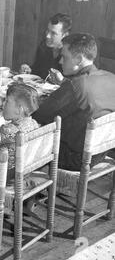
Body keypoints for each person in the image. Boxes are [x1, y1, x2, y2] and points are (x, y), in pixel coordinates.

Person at [32, 33, 115, 171]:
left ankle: (28, 186)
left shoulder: (75, 86)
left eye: (64, 57)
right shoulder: (110, 78)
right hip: (100, 151)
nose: (60, 62)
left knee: (24, 140)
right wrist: (65, 83)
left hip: (74, 158)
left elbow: (40, 114)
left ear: (78, 59)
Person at [0, 83, 40, 180]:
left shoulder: (7, 131)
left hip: (6, 177)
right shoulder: (34, 123)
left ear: (20, 109)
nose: (3, 104)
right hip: (26, 171)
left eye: (7, 101)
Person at [20, 13, 72, 84]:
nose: (47, 36)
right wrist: (28, 70)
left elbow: (72, 84)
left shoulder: (70, 54)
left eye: (53, 33)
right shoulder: (43, 47)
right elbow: (37, 70)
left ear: (65, 35)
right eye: (48, 30)